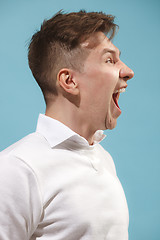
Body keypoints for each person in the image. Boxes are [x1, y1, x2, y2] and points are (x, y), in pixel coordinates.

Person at [0, 10, 134, 240]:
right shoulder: (17, 168)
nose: (128, 72)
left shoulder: (102, 158)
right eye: (110, 60)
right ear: (69, 81)